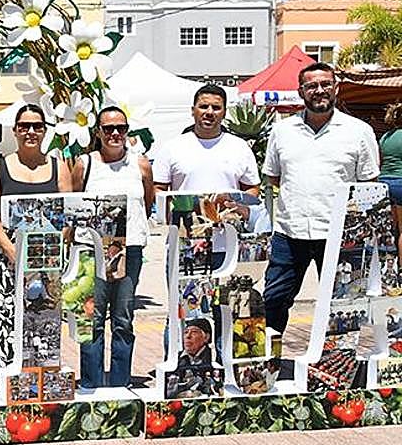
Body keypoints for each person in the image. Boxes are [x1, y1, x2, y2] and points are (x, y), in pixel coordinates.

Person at [262, 62, 379, 335]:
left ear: (336, 88)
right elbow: (274, 177)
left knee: (346, 303)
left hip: (341, 235)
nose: (319, 91)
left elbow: (368, 184)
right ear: (300, 91)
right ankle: (269, 363)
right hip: (290, 233)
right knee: (274, 299)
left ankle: (342, 367)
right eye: (312, 86)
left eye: (326, 84)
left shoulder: (359, 131)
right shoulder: (282, 130)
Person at [0, 104, 73, 388]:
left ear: (45, 130)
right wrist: (9, 249)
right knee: (7, 325)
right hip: (9, 260)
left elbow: (68, 212)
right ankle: (4, 385)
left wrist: (56, 246)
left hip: (46, 264)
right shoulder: (0, 167)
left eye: (37, 126)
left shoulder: (59, 166)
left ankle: (41, 384)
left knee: (43, 323)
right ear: (15, 131)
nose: (31, 132)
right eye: (24, 126)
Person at [72, 106, 155, 389]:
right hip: (91, 252)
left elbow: (148, 202)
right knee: (90, 320)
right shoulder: (85, 164)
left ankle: (120, 383)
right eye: (109, 129)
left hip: (128, 250)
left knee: (123, 319)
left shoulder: (141, 164)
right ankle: (91, 382)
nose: (115, 133)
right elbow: (74, 205)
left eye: (121, 128)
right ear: (98, 132)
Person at [152, 84, 260, 194]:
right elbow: (158, 188)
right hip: (185, 211)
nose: (209, 112)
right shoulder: (171, 148)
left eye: (216, 108)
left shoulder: (240, 147)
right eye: (203, 106)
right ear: (193, 111)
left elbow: (252, 188)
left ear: (224, 113)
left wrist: (240, 208)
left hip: (228, 211)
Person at [379, 101, 402, 255]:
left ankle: (388, 266)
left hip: (384, 182)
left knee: (393, 228)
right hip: (401, 182)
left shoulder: (385, 137)